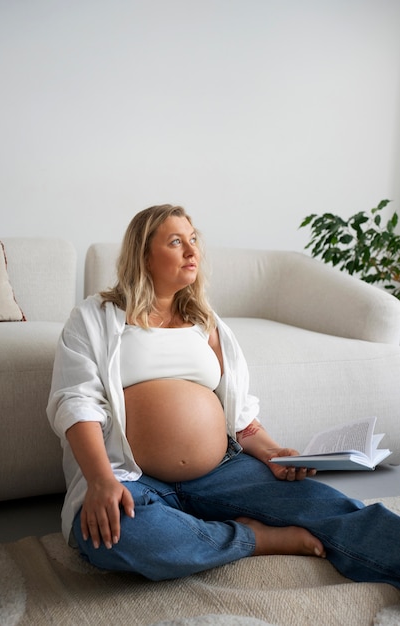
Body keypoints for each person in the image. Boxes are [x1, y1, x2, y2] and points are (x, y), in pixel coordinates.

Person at [47, 204, 400, 585]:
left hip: (222, 473)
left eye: (194, 240)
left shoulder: (206, 323)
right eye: (176, 241)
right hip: (132, 478)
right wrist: (101, 481)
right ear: (144, 255)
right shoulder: (95, 317)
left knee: (329, 506)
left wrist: (271, 451)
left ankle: (206, 531)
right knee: (116, 535)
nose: (192, 251)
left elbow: (239, 413)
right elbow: (76, 402)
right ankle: (255, 538)